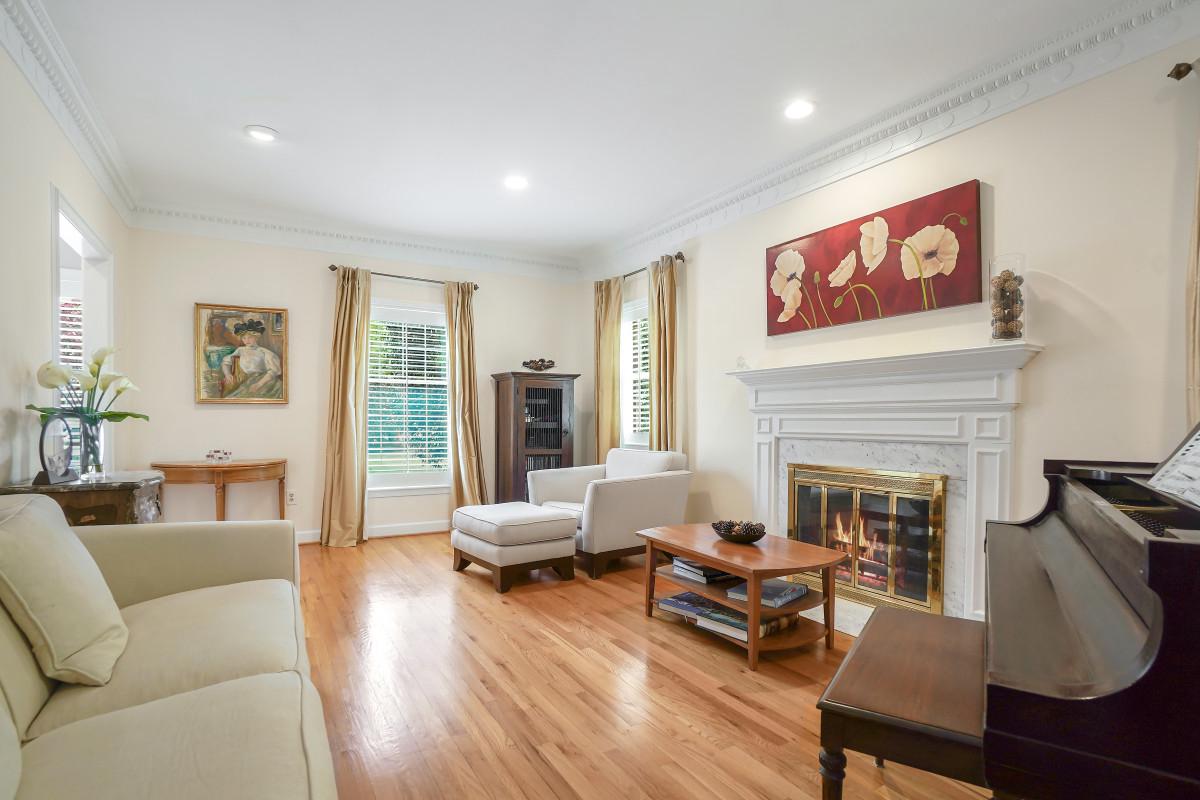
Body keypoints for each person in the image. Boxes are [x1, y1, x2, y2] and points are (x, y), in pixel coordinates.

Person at [220, 319, 283, 399]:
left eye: (250, 337)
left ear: (256, 337)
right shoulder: (241, 350)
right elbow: (225, 362)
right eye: (244, 338)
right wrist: (227, 374)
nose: (246, 341)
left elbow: (273, 371)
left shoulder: (264, 352)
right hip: (249, 380)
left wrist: (259, 384)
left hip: (266, 381)